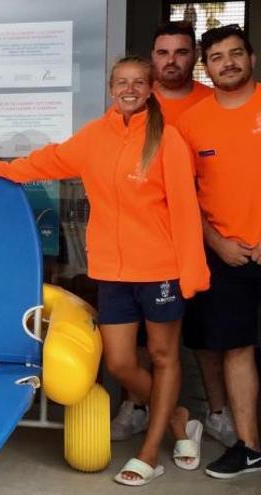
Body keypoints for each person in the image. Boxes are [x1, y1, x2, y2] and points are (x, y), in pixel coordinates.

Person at [0, 55, 209, 485]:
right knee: (121, 361)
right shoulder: (94, 137)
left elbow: (185, 210)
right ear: (111, 89)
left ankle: (149, 452)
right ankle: (180, 419)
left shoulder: (169, 140)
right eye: (122, 82)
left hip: (161, 267)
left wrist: (192, 272)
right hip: (112, 270)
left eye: (138, 82)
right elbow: (47, 161)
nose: (129, 89)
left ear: (149, 89)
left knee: (164, 357)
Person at [110, 20, 231, 445]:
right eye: (163, 53)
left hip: (209, 236)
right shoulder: (135, 103)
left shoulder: (211, 101)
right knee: (140, 336)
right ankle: (137, 405)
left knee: (206, 335)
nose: (171, 61)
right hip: (150, 247)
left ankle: (217, 412)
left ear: (194, 57)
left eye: (181, 52)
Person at [176, 24, 261, 479]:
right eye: (217, 57)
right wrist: (217, 243)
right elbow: (184, 195)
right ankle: (249, 447)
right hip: (224, 254)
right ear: (205, 67)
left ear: (250, 58)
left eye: (235, 54)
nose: (227, 63)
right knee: (236, 347)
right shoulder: (192, 123)